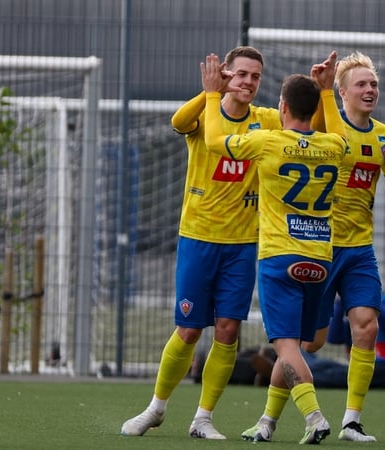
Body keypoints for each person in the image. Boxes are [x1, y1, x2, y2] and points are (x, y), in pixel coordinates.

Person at [121, 46, 282, 440]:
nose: (247, 82)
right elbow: (178, 120)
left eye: (255, 76)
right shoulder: (206, 112)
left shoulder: (268, 121)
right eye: (240, 73)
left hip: (244, 243)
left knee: (228, 331)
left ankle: (203, 418)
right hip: (198, 238)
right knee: (190, 330)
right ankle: (156, 408)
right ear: (225, 74)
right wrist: (210, 92)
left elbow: (302, 123)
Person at [203, 52, 347, 444]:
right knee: (299, 347)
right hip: (320, 258)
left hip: (280, 259)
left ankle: (314, 416)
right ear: (315, 108)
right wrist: (328, 93)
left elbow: (215, 140)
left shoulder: (267, 141)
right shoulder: (335, 145)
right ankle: (266, 422)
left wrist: (213, 95)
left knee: (286, 348)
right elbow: (339, 133)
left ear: (282, 107)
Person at [301, 51, 385, 443]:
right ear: (342, 92)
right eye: (362, 84)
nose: (370, 89)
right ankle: (271, 413)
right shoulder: (324, 123)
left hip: (359, 248)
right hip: (320, 247)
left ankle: (351, 421)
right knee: (310, 341)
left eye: (373, 84)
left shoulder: (383, 135)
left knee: (367, 328)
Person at [252, 293, 385, 391]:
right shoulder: (348, 306)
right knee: (322, 364)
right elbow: (335, 337)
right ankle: (279, 359)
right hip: (358, 366)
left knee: (332, 376)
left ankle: (287, 375)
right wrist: (340, 303)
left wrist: (369, 303)